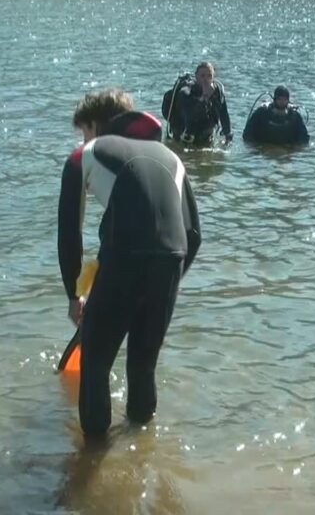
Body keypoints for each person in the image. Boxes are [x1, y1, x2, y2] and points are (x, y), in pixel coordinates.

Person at [58, 89, 201, 438]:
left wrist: (74, 296)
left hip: (124, 256)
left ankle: (91, 461)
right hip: (171, 260)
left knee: (95, 365)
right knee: (142, 366)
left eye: (84, 131)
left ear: (96, 126)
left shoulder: (83, 156)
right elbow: (194, 235)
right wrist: (166, 281)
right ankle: (141, 449)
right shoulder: (172, 158)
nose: (83, 140)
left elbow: (69, 233)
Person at [172, 62, 232, 145]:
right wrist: (204, 97)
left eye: (209, 76)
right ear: (196, 76)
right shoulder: (185, 93)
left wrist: (228, 135)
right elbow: (190, 120)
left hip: (205, 136)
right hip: (184, 136)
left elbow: (224, 115)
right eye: (202, 76)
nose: (206, 80)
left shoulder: (217, 92)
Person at [242, 85, 309, 145]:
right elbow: (247, 134)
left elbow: (304, 139)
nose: (282, 102)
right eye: (279, 99)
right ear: (274, 99)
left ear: (288, 100)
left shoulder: (294, 116)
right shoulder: (262, 112)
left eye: (285, 99)